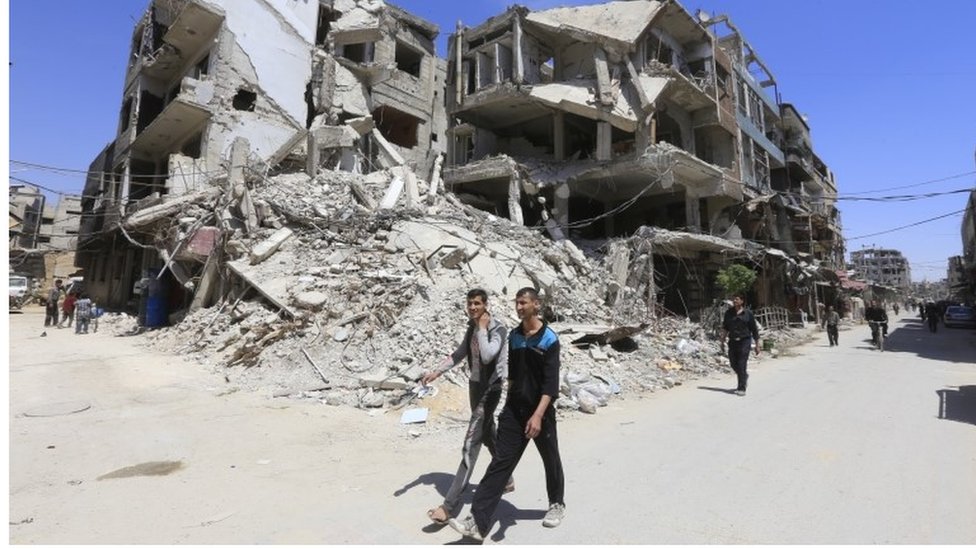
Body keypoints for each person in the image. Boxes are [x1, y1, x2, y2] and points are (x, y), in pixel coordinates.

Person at [449, 287, 566, 541]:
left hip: (540, 412)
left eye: (524, 303)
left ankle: (557, 503)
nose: (519, 307)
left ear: (536, 305)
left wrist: (538, 415)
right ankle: (477, 522)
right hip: (514, 411)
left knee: (550, 458)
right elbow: (511, 375)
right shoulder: (514, 336)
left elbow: (550, 385)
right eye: (517, 303)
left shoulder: (549, 339)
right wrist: (508, 407)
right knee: (500, 464)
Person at [421, 289, 511, 525]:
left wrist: (481, 328)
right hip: (475, 387)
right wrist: (436, 372)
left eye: (477, 304)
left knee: (470, 444)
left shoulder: (498, 329)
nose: (472, 308)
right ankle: (507, 477)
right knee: (487, 432)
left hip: (490, 390)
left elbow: (489, 355)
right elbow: (461, 352)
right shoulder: (472, 327)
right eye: (470, 303)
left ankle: (449, 506)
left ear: (486, 304)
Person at [720, 293, 761, 396]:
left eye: (737, 299)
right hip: (733, 341)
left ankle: (741, 387)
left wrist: (757, 345)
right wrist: (722, 341)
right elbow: (725, 328)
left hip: (744, 341)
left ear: (742, 301)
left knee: (742, 363)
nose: (734, 301)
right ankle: (744, 376)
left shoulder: (748, 314)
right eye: (733, 299)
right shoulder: (729, 313)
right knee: (733, 363)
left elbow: (754, 330)